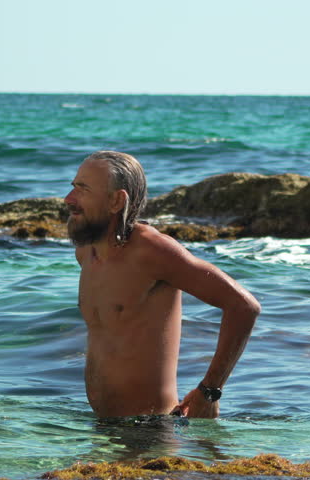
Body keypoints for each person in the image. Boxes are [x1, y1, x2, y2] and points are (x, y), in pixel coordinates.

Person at [64, 150, 260, 419]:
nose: (69, 199)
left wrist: (210, 391)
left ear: (116, 201)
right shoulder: (86, 253)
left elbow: (243, 306)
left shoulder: (152, 251)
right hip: (103, 425)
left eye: (83, 189)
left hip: (152, 428)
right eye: (73, 187)